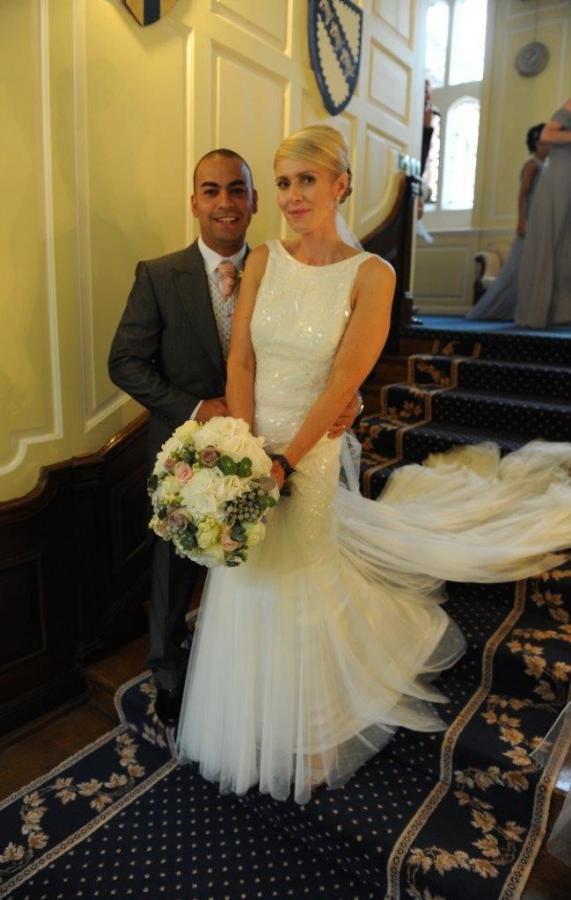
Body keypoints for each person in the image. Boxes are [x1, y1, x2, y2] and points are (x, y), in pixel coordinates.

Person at [177, 125, 571, 805]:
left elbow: (341, 386)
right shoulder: (264, 259)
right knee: (247, 574)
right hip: (254, 438)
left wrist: (282, 465)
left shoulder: (372, 275)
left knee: (299, 570)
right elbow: (240, 358)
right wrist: (241, 453)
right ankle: (253, 711)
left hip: (311, 448)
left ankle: (317, 723)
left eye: (307, 180)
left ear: (340, 183)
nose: (293, 196)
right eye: (282, 182)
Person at [108, 149, 361, 728]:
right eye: (211, 190)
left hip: (276, 442)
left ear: (251, 202)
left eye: (237, 191)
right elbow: (124, 362)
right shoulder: (158, 274)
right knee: (175, 567)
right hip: (187, 452)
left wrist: (354, 397)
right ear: (194, 201)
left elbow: (323, 349)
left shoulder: (282, 265)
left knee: (260, 568)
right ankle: (168, 676)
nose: (225, 202)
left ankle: (255, 680)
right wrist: (199, 407)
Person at [468, 123, 548, 321]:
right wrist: (522, 221)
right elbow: (522, 196)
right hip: (529, 224)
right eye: (546, 143)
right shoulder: (532, 166)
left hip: (540, 224)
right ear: (537, 144)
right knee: (517, 270)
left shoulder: (547, 167)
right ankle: (492, 310)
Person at [515, 98, 571, 328]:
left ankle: (561, 312)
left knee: (566, 249)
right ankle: (536, 311)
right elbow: (547, 135)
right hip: (560, 179)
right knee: (551, 244)